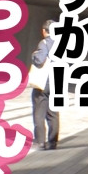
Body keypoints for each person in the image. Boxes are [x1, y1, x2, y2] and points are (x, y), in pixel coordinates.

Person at [31, 19, 59, 150]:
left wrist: (34, 55)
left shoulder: (44, 43)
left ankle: (40, 142)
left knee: (39, 112)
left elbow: (39, 60)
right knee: (53, 113)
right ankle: (52, 142)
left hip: (44, 83)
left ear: (44, 31)